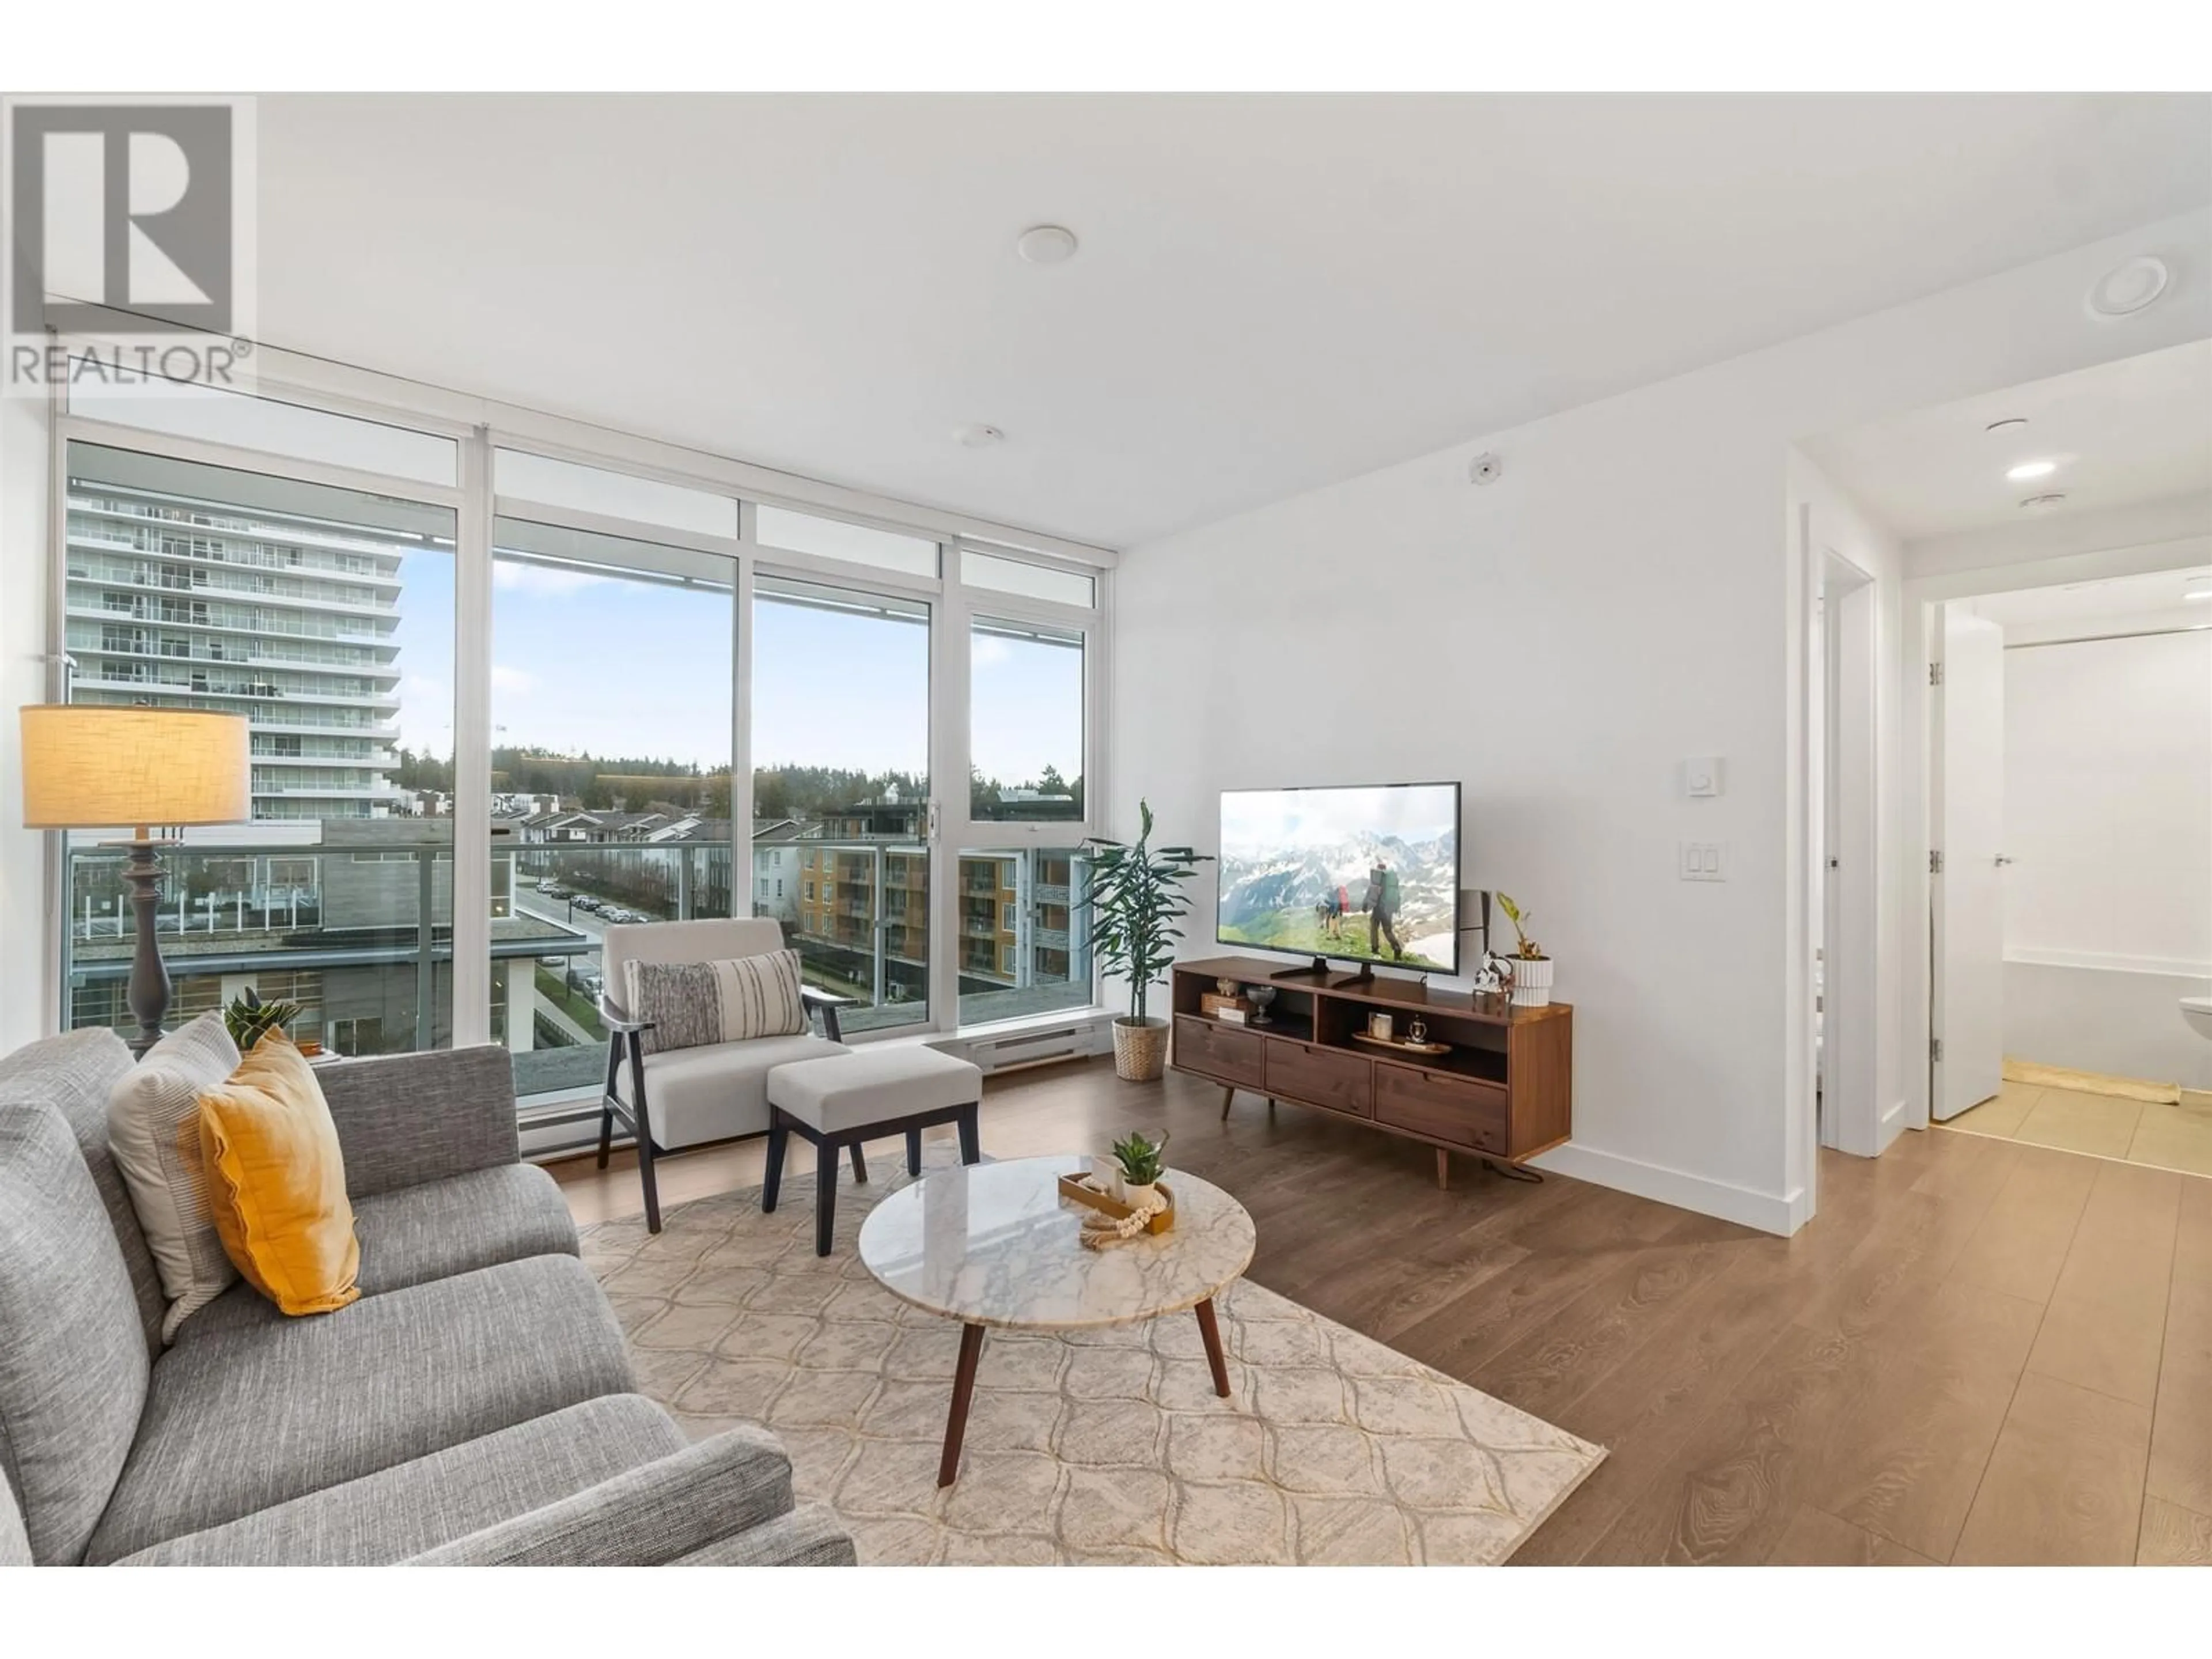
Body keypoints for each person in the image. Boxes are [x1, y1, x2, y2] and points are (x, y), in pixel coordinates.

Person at [1365, 860, 1405, 959]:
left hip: (1379, 908)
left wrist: (1366, 906)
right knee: (1388, 931)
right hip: (1389, 909)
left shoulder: (1378, 880)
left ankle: (1375, 949)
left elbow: (1373, 894)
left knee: (1374, 927)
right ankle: (1397, 948)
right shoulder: (1391, 880)